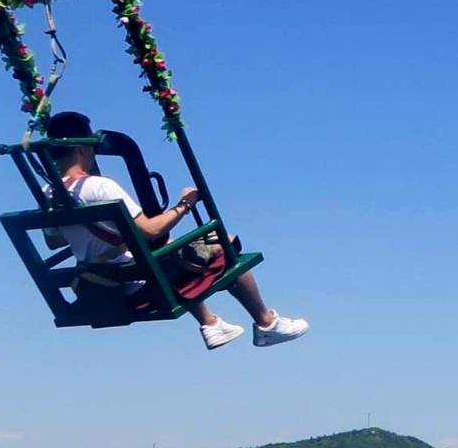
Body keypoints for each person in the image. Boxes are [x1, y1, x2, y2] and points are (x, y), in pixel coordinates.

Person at [44, 110, 306, 350]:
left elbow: (53, 242)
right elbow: (150, 230)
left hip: (98, 289)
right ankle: (266, 323)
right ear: (80, 148)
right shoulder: (100, 186)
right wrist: (185, 204)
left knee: (171, 250)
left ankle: (212, 323)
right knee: (225, 242)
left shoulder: (48, 193)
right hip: (140, 287)